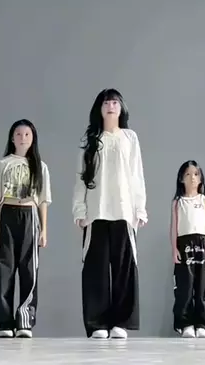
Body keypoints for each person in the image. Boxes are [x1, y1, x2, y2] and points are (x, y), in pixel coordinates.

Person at [72, 88, 147, 339]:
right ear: (99, 108)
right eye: (106, 103)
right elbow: (81, 177)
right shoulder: (90, 140)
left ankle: (121, 323)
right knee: (95, 269)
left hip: (124, 211)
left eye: (115, 102)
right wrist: (79, 208)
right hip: (96, 211)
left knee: (125, 268)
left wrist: (139, 208)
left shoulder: (130, 138)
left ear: (121, 107)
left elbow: (137, 174)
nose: (111, 106)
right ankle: (97, 323)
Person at [0, 119, 51, 338]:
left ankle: (25, 321)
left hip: (29, 215)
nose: (22, 138)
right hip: (7, 213)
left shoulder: (40, 167)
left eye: (27, 134)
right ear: (12, 138)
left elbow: (43, 200)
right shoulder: (2, 164)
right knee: (4, 268)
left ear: (33, 138)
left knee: (29, 268)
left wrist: (44, 229)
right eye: (18, 134)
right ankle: (4, 322)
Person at [170, 160, 205, 338]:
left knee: (202, 286)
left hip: (202, 243)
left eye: (196, 174)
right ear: (181, 178)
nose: (192, 178)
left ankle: (203, 324)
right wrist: (174, 248)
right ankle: (186, 324)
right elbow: (174, 227)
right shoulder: (178, 202)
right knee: (185, 285)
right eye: (188, 174)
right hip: (184, 244)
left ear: (201, 179)